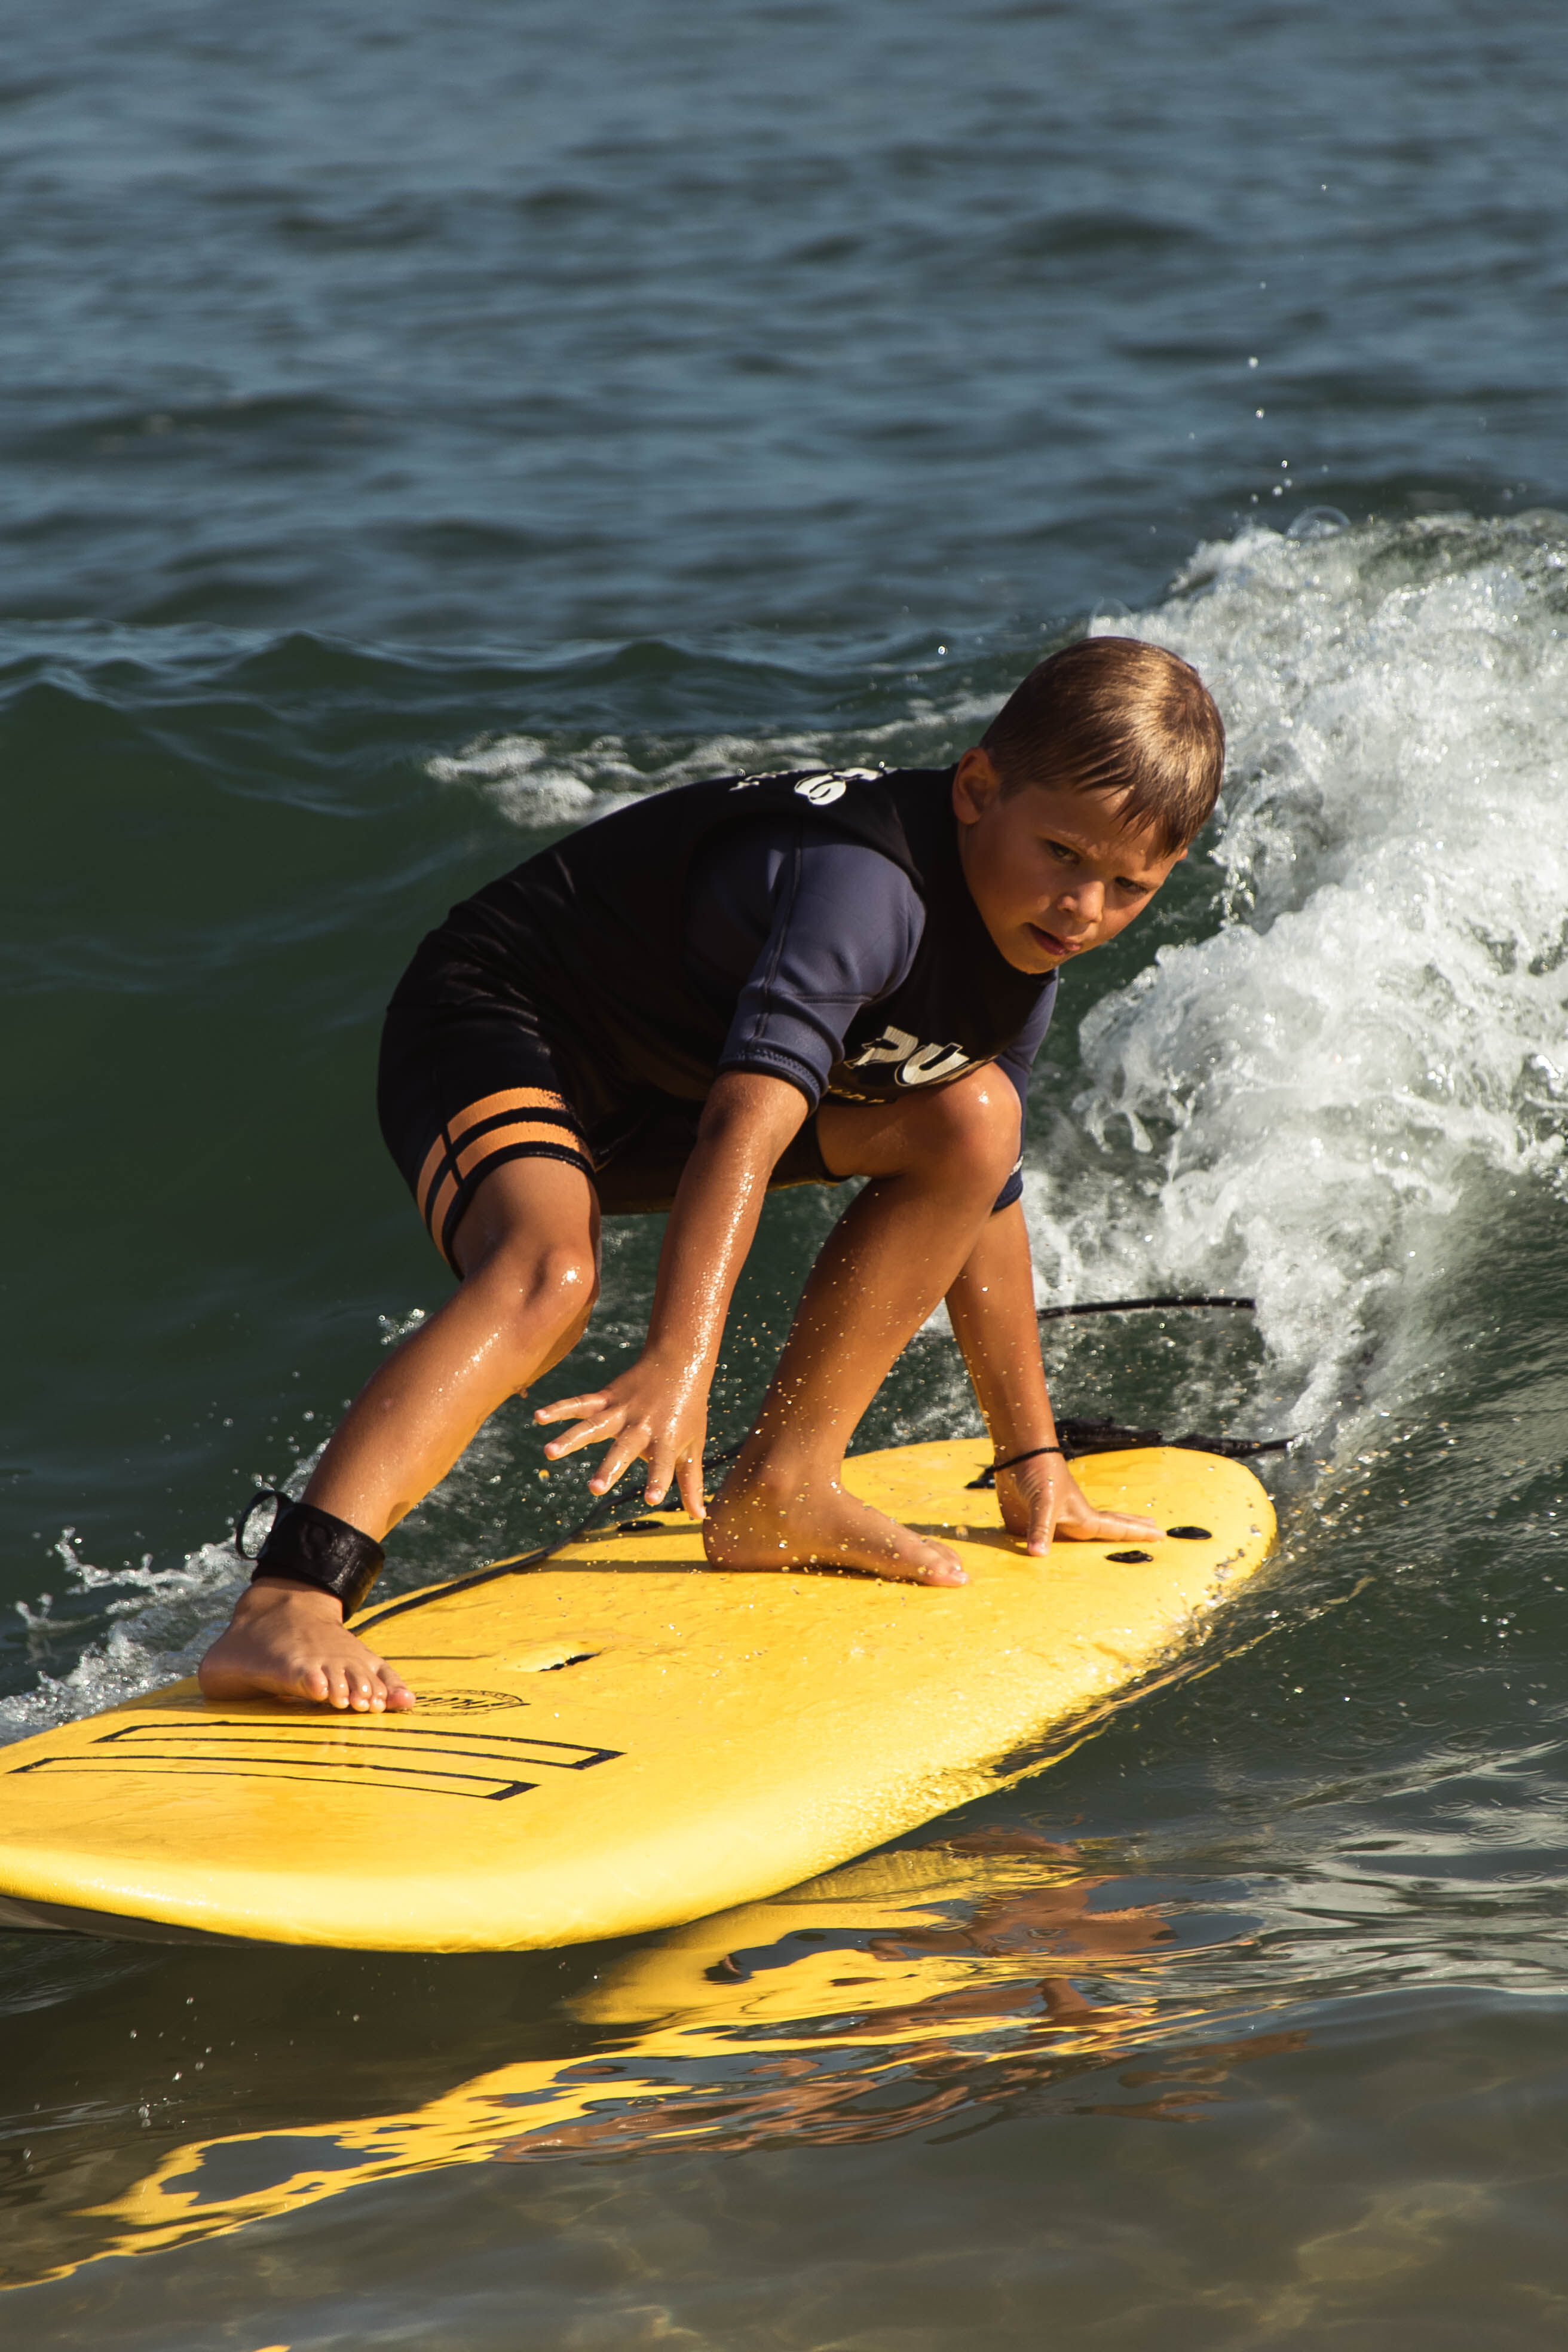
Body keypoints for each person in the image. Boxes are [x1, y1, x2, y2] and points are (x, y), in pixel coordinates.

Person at [199, 635, 1225, 1714]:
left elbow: (985, 1194)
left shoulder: (1020, 960)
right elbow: (745, 1122)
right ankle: (288, 1600)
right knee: (550, 1276)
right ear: (976, 789)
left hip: (665, 1092)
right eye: (1063, 854)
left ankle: (783, 1490)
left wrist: (1033, 1460)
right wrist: (681, 1358)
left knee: (975, 1122)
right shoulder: (866, 889)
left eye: (1127, 885)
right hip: (506, 1024)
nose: (1084, 908)